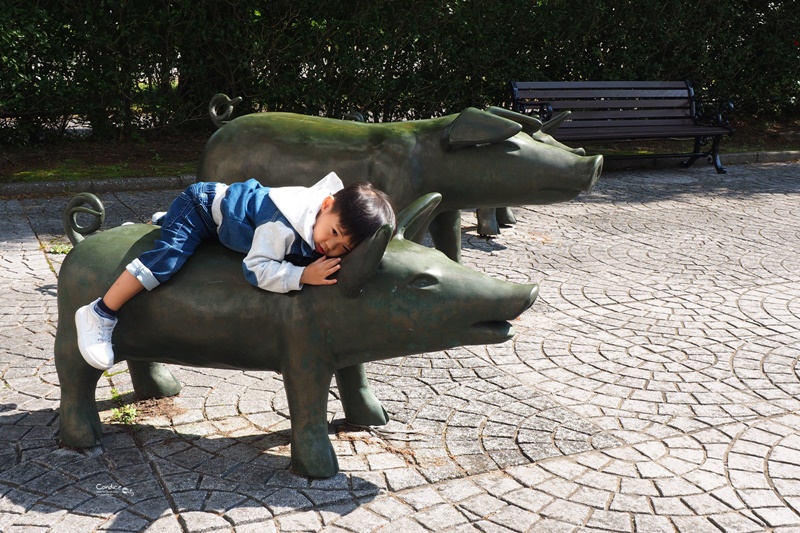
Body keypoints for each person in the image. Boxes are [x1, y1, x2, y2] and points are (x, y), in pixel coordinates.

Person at [74, 172, 395, 370]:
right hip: (202, 208)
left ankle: (163, 221)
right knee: (168, 259)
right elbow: (255, 268)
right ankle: (100, 313)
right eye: (335, 234)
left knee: (188, 240)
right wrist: (300, 276)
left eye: (344, 249)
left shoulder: (320, 222)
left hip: (226, 221)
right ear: (326, 204)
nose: (332, 247)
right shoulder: (281, 226)